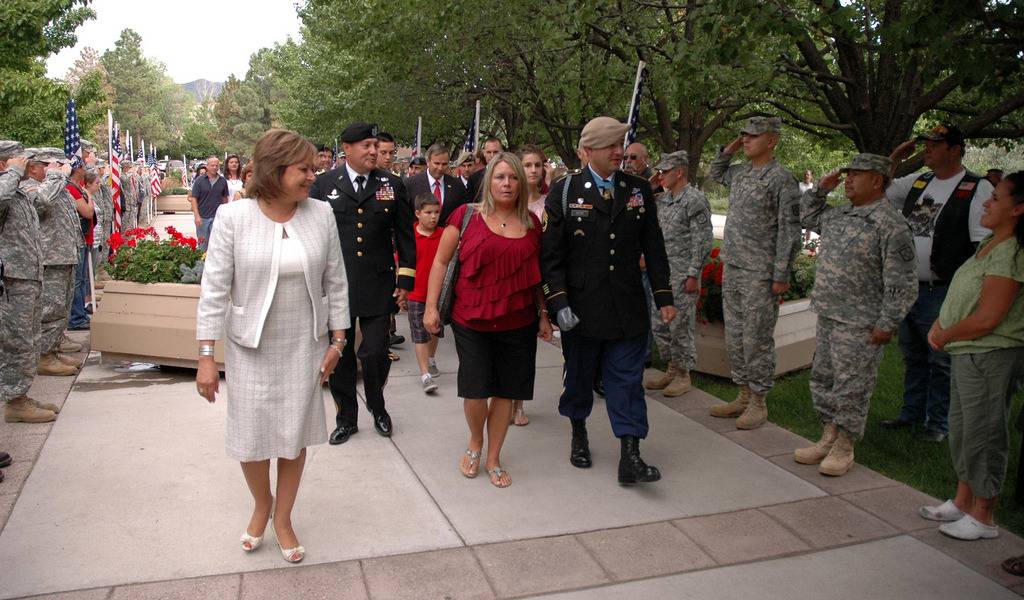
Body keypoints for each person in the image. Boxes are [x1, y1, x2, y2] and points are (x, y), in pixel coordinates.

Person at [195, 128, 350, 563]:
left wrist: (338, 341)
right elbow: (213, 290)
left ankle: (283, 517)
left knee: (293, 435)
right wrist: (206, 357)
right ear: (274, 170)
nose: (313, 176)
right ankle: (262, 504)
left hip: (305, 344)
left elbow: (336, 281)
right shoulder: (233, 218)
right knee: (251, 437)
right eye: (304, 169)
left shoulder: (320, 214)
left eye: (313, 168)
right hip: (250, 348)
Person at [541, 116, 677, 485]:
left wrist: (663, 294)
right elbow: (551, 256)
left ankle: (630, 455)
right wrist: (558, 303)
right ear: (588, 151)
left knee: (627, 381)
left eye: (621, 145)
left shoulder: (638, 189)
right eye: (610, 146)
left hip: (627, 305)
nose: (619, 152)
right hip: (582, 309)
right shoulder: (565, 191)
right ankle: (579, 433)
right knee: (579, 378)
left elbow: (653, 245)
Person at [424, 153, 552, 488]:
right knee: (476, 389)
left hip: (518, 321)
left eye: (513, 178)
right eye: (500, 177)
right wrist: (431, 307)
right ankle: (475, 441)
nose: (507, 184)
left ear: (521, 183)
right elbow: (440, 262)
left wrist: (543, 315)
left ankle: (494, 456)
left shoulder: (532, 224)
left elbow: (535, 276)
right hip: (472, 319)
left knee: (507, 392)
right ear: (489, 181)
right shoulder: (466, 215)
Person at [793, 154, 917, 476]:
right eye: (847, 174)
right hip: (829, 313)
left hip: (861, 321)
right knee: (823, 379)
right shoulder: (840, 214)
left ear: (877, 181)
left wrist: (887, 322)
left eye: (856, 175)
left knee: (852, 385)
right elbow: (806, 215)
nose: (847, 180)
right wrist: (821, 189)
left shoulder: (891, 224)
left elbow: (902, 282)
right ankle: (828, 436)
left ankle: (845, 445)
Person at [919, 171, 1024, 540]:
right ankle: (963, 500)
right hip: (967, 352)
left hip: (990, 354)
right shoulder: (992, 244)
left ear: (1018, 209)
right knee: (964, 429)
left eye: (996, 198)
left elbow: (989, 317)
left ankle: (984, 515)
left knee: (984, 432)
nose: (987, 202)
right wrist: (942, 325)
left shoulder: (1012, 252)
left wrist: (946, 333)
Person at [882, 124, 993, 442]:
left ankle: (938, 424)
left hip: (942, 289)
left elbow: (982, 248)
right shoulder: (921, 181)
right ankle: (911, 414)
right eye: (926, 143)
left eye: (935, 143)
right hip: (909, 287)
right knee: (913, 355)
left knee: (940, 358)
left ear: (955, 150)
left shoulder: (975, 187)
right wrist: (894, 159)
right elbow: (880, 189)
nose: (927, 149)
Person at [308, 122, 415, 445]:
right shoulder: (324, 184)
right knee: (341, 355)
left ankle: (378, 407)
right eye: (366, 146)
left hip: (378, 283)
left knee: (375, 351)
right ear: (346, 148)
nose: (373, 151)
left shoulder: (391, 184)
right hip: (336, 285)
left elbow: (405, 235)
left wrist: (404, 279)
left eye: (375, 146)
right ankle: (346, 418)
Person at [707, 116, 802, 430]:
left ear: (771, 141)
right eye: (743, 135)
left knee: (756, 338)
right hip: (734, 265)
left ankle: (759, 402)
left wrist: (781, 274)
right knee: (735, 336)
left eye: (753, 136)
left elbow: (789, 231)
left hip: (760, 272)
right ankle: (743, 394)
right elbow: (715, 172)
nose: (746, 139)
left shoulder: (781, 179)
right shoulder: (740, 173)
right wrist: (731, 147)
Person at [643, 150, 713, 397]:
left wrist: (694, 274)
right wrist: (649, 185)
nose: (660, 175)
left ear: (680, 172)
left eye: (665, 171)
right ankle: (672, 368)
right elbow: (637, 202)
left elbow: (703, 240)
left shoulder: (694, 200)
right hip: (662, 275)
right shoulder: (663, 199)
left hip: (683, 275)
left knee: (680, 327)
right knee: (659, 325)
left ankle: (684, 375)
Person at [0, 143, 57, 423]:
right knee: (17, 342)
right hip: (12, 281)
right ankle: (15, 401)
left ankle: (21, 395)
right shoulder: (7, 187)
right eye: (18, 159)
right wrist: (11, 173)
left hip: (28, 276)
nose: (25, 163)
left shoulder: (18, 191)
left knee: (29, 339)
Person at [24, 148, 84, 377]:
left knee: (61, 308)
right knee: (50, 309)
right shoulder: (29, 187)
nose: (59, 169)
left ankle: (53, 350)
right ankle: (44, 356)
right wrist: (56, 175)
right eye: (52, 164)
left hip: (63, 256)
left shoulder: (54, 185)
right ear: (34, 167)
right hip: (50, 258)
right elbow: (42, 202)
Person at [407, 193, 444, 393]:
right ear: (418, 213)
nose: (433, 217)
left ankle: (431, 358)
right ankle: (425, 375)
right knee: (419, 334)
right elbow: (402, 262)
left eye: (436, 212)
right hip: (416, 293)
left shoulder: (444, 235)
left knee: (434, 330)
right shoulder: (410, 235)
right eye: (428, 212)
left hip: (438, 294)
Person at [405, 143, 470, 233]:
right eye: (437, 163)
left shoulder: (457, 186)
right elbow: (404, 216)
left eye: (444, 164)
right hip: (418, 238)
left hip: (447, 237)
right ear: (428, 162)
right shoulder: (411, 184)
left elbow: (463, 215)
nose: (440, 168)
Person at [66, 164, 95, 334]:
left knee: (82, 280)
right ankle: (76, 318)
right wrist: (89, 197)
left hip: (84, 239)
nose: (85, 170)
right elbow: (88, 212)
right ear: (77, 169)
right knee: (77, 281)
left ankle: (81, 313)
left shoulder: (78, 188)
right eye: (82, 167)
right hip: (77, 241)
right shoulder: (72, 189)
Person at [189, 155, 230, 252]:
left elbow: (225, 199)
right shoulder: (199, 181)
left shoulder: (222, 181)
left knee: (216, 247)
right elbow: (194, 199)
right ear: (207, 166)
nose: (214, 167)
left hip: (217, 218)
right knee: (202, 247)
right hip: (202, 218)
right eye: (212, 165)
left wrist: (224, 216)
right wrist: (197, 216)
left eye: (216, 165)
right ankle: (202, 262)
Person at [466, 136, 505, 201]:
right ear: (484, 153)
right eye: (489, 152)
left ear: (502, 152)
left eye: (495, 152)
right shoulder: (474, 178)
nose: (492, 155)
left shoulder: (511, 175)